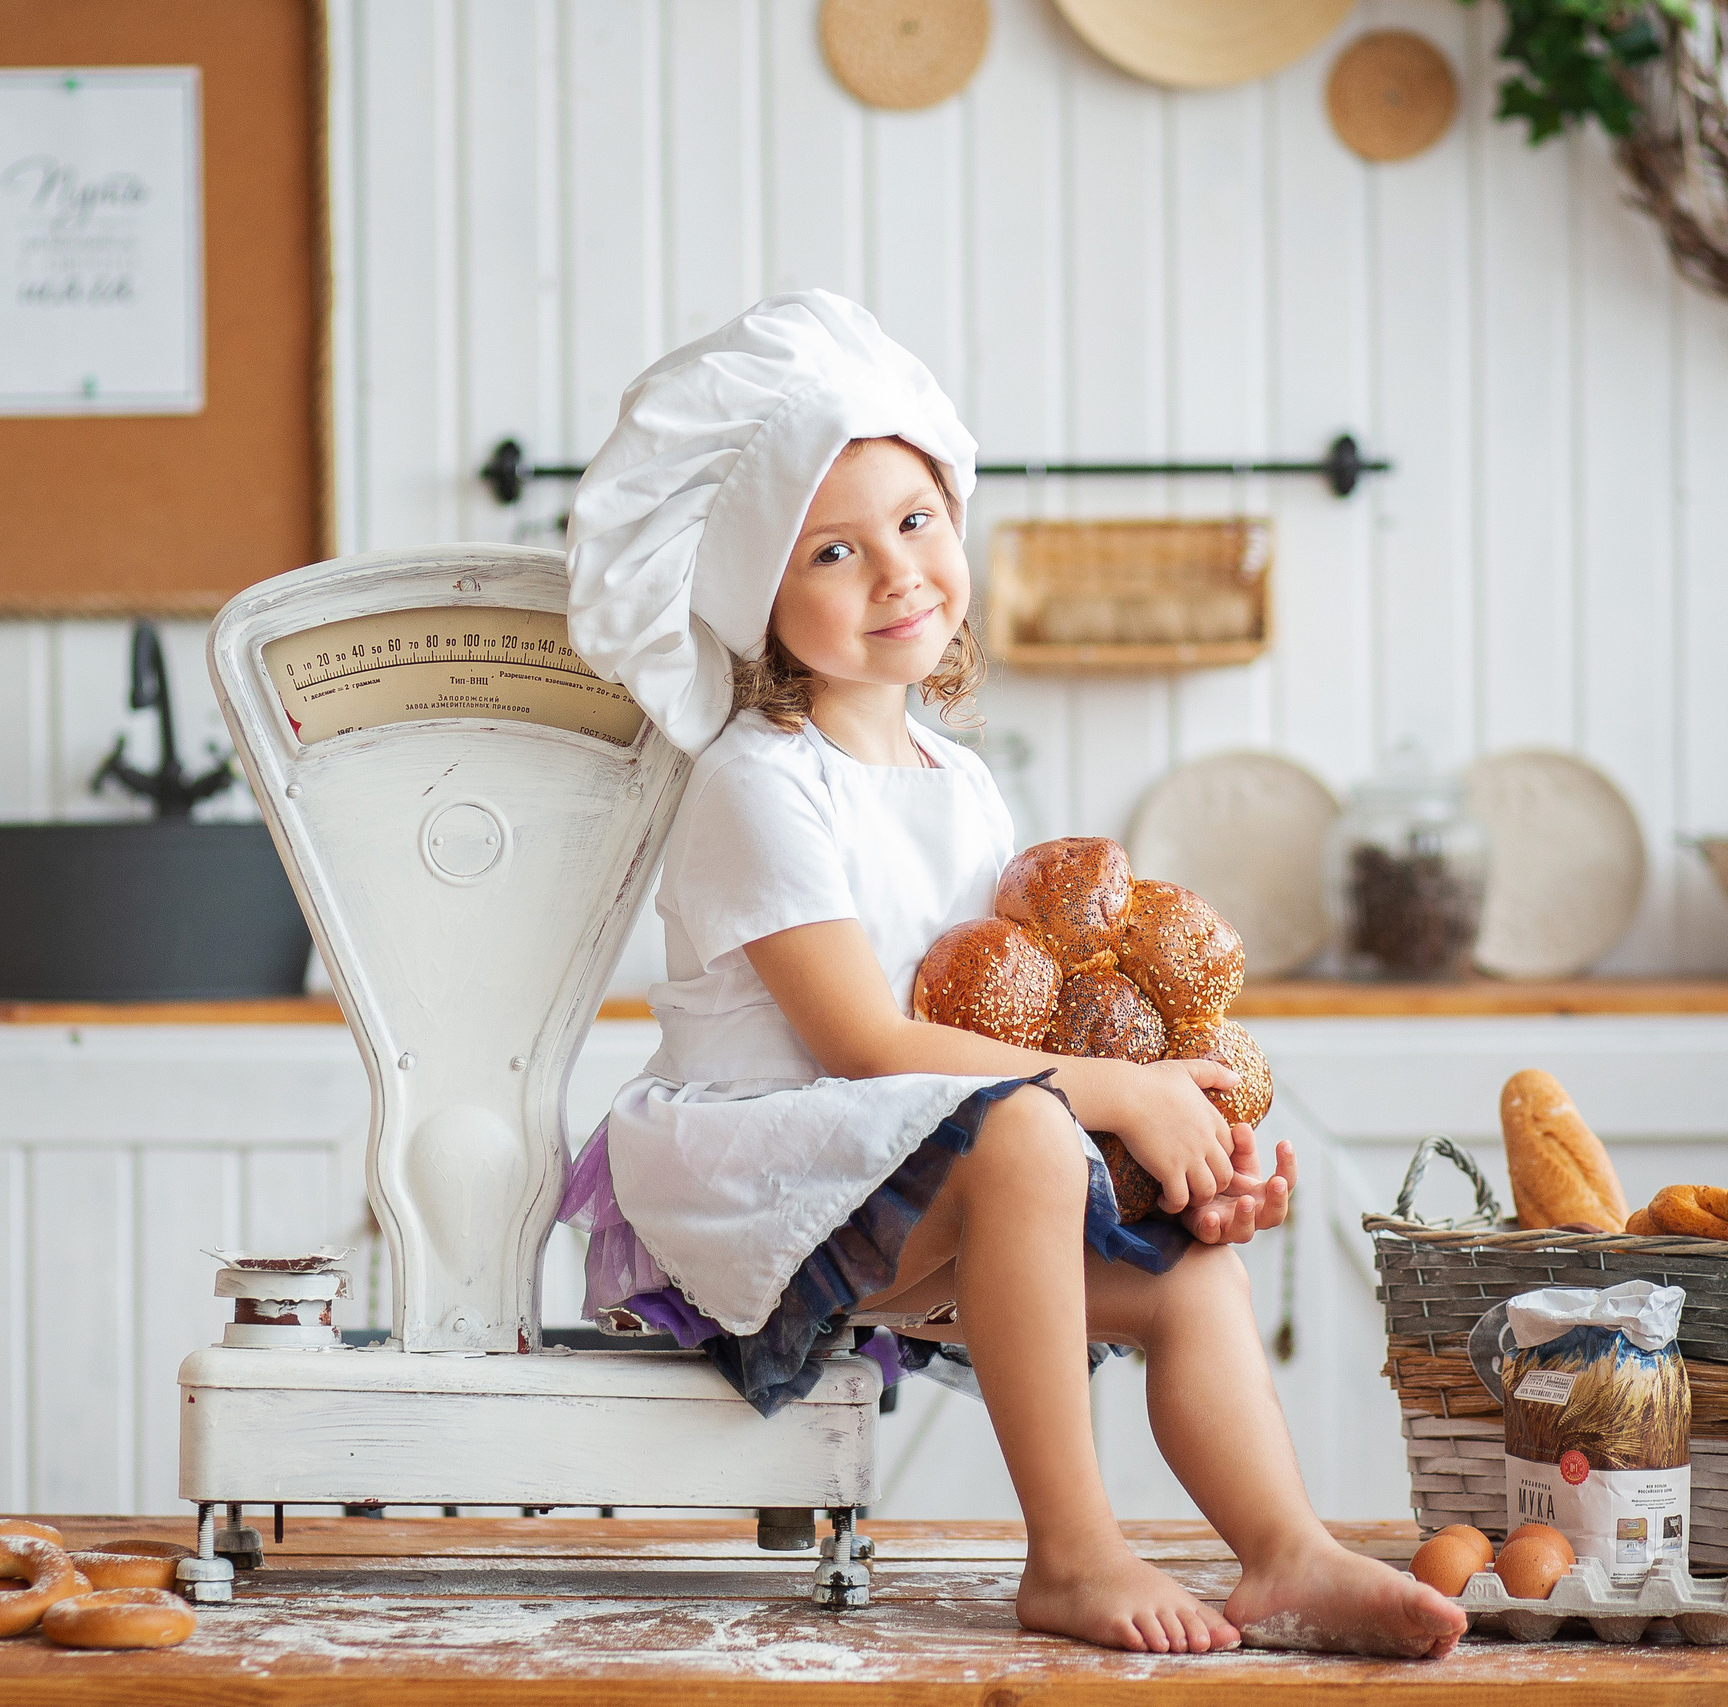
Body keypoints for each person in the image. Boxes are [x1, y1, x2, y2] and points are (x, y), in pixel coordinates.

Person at [558, 291, 1464, 1659]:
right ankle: (1073, 1553)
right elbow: (865, 1042)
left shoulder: (964, 783)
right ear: (758, 599)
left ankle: (1287, 1552)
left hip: (926, 1166)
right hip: (762, 1168)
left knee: (1186, 1274)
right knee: (1038, 1132)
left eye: (916, 524)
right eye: (835, 552)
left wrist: (1169, 1154)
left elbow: (992, 1032)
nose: (896, 573)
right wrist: (1114, 1099)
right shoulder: (755, 784)